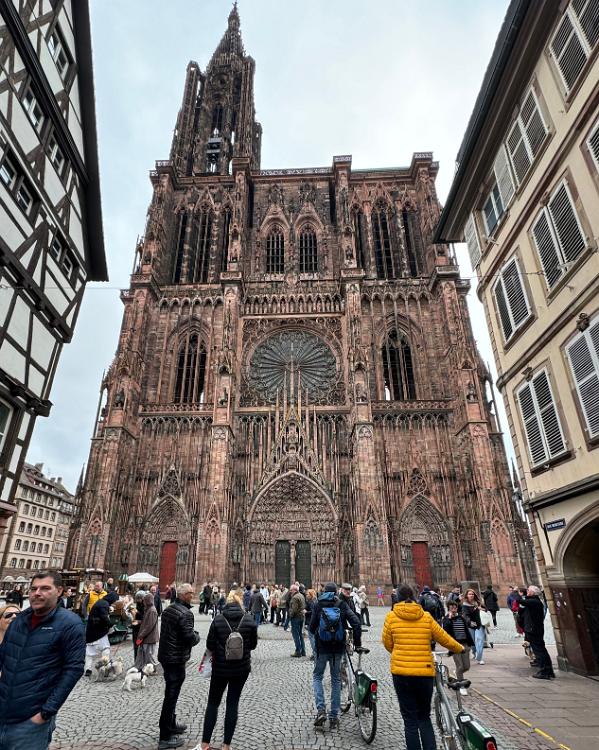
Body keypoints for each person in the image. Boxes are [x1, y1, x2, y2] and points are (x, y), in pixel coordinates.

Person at [0, 571, 84, 749]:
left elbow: (74, 669)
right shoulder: (19, 620)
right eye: (34, 588)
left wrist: (45, 713)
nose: (37, 593)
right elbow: (4, 656)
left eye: (45, 588)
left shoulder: (70, 624)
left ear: (59, 591)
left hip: (30, 721)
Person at [383, 584, 463, 750]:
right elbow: (444, 638)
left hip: (401, 673)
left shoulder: (391, 617)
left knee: (410, 720)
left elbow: (387, 643)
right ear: (414, 597)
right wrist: (459, 648)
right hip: (424, 673)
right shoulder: (425, 616)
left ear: (397, 598)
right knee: (424, 717)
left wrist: (399, 652)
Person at [199, 588, 258, 750]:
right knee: (232, 704)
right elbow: (252, 645)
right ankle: (226, 746)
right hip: (241, 669)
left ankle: (205, 744)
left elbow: (210, 645)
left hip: (220, 669)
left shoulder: (217, 619)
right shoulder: (249, 620)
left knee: (213, 703)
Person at [309, 581, 362, 729]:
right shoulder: (341, 604)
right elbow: (356, 623)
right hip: (337, 649)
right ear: (336, 591)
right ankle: (334, 717)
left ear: (324, 591)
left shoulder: (318, 604)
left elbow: (312, 628)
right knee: (336, 680)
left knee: (318, 677)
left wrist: (320, 636)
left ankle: (321, 711)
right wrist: (357, 644)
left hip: (322, 648)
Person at [158, 583, 200, 749]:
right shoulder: (185, 613)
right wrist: (196, 636)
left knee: (171, 694)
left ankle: (171, 724)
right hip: (175, 659)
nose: (192, 595)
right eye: (191, 593)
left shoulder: (169, 609)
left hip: (166, 656)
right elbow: (189, 637)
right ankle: (165, 736)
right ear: (184, 595)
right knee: (171, 696)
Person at [518, 585, 555, 679]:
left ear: (533, 592)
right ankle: (548, 671)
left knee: (539, 651)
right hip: (534, 629)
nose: (527, 591)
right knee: (540, 650)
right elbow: (522, 611)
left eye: (528, 590)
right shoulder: (533, 601)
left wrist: (517, 594)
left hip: (534, 630)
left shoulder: (534, 601)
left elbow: (520, 600)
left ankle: (545, 672)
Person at [441, 601, 474, 692]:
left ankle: (457, 674)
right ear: (448, 608)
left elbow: (467, 629)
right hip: (455, 645)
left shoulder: (461, 617)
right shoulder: (446, 619)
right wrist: (450, 618)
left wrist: (469, 643)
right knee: (460, 666)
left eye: (455, 607)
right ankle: (461, 686)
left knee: (466, 666)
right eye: (452, 607)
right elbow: (445, 631)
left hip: (465, 644)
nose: (454, 608)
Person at [85, 590, 118, 675]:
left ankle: (88, 669)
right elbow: (104, 617)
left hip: (92, 630)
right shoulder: (104, 604)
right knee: (105, 649)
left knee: (89, 652)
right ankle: (105, 668)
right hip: (99, 631)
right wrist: (111, 624)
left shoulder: (101, 602)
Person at [135, 592, 159, 670]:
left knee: (149, 655)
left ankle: (153, 668)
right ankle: (140, 667)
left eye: (145, 601)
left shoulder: (152, 610)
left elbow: (149, 626)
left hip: (149, 637)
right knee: (143, 653)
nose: (143, 602)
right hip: (146, 637)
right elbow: (146, 622)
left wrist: (141, 635)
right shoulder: (148, 609)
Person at [461, 589, 485, 665]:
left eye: (472, 594)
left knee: (480, 640)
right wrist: (469, 622)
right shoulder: (465, 605)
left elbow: (486, 609)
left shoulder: (478, 603)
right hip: (470, 625)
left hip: (479, 624)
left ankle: (479, 658)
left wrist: (482, 609)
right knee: (473, 642)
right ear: (467, 596)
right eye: (469, 594)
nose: (471, 595)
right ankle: (474, 652)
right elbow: (465, 615)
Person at [288, 584, 306, 657]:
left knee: (296, 635)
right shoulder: (301, 595)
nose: (290, 591)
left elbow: (294, 609)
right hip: (301, 617)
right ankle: (303, 651)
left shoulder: (295, 597)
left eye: (291, 590)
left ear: (295, 590)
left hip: (296, 618)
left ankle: (298, 651)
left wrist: (290, 616)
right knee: (300, 634)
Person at [131, 590, 146, 659]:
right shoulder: (138, 604)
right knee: (136, 646)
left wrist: (137, 612)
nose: (137, 600)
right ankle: (136, 660)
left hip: (141, 630)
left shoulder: (145, 606)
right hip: (135, 628)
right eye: (136, 598)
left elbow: (144, 619)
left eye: (138, 598)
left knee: (140, 645)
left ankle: (140, 661)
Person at [304, 589, 317, 660]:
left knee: (312, 639)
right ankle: (315, 653)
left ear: (311, 595)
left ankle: (315, 654)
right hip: (314, 622)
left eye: (307, 594)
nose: (306, 595)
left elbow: (312, 612)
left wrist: (306, 612)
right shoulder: (315, 600)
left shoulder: (311, 602)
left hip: (311, 622)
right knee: (314, 638)